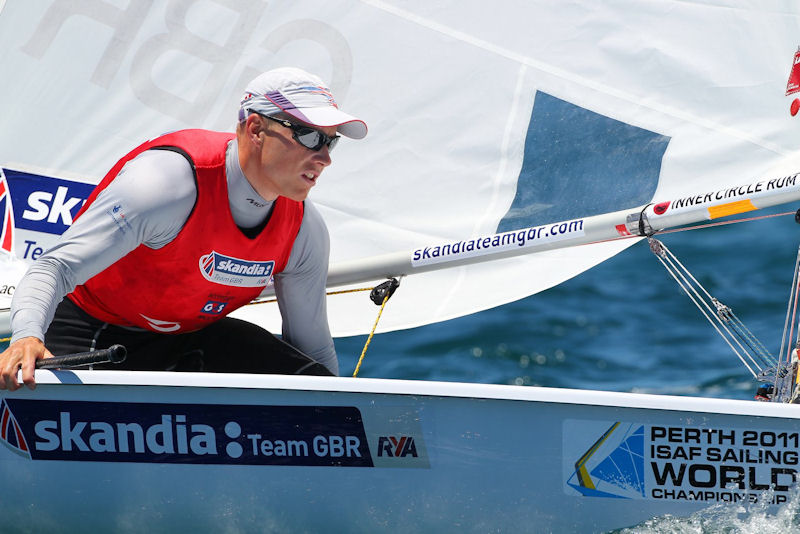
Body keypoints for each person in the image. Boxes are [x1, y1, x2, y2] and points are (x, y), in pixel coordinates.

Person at [0, 67, 367, 391]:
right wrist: (26, 337)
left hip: (187, 341)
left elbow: (313, 348)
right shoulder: (168, 184)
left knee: (312, 380)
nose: (325, 156)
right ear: (255, 128)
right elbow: (54, 268)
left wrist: (341, 420)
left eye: (330, 139)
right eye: (309, 136)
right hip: (88, 328)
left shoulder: (304, 230)